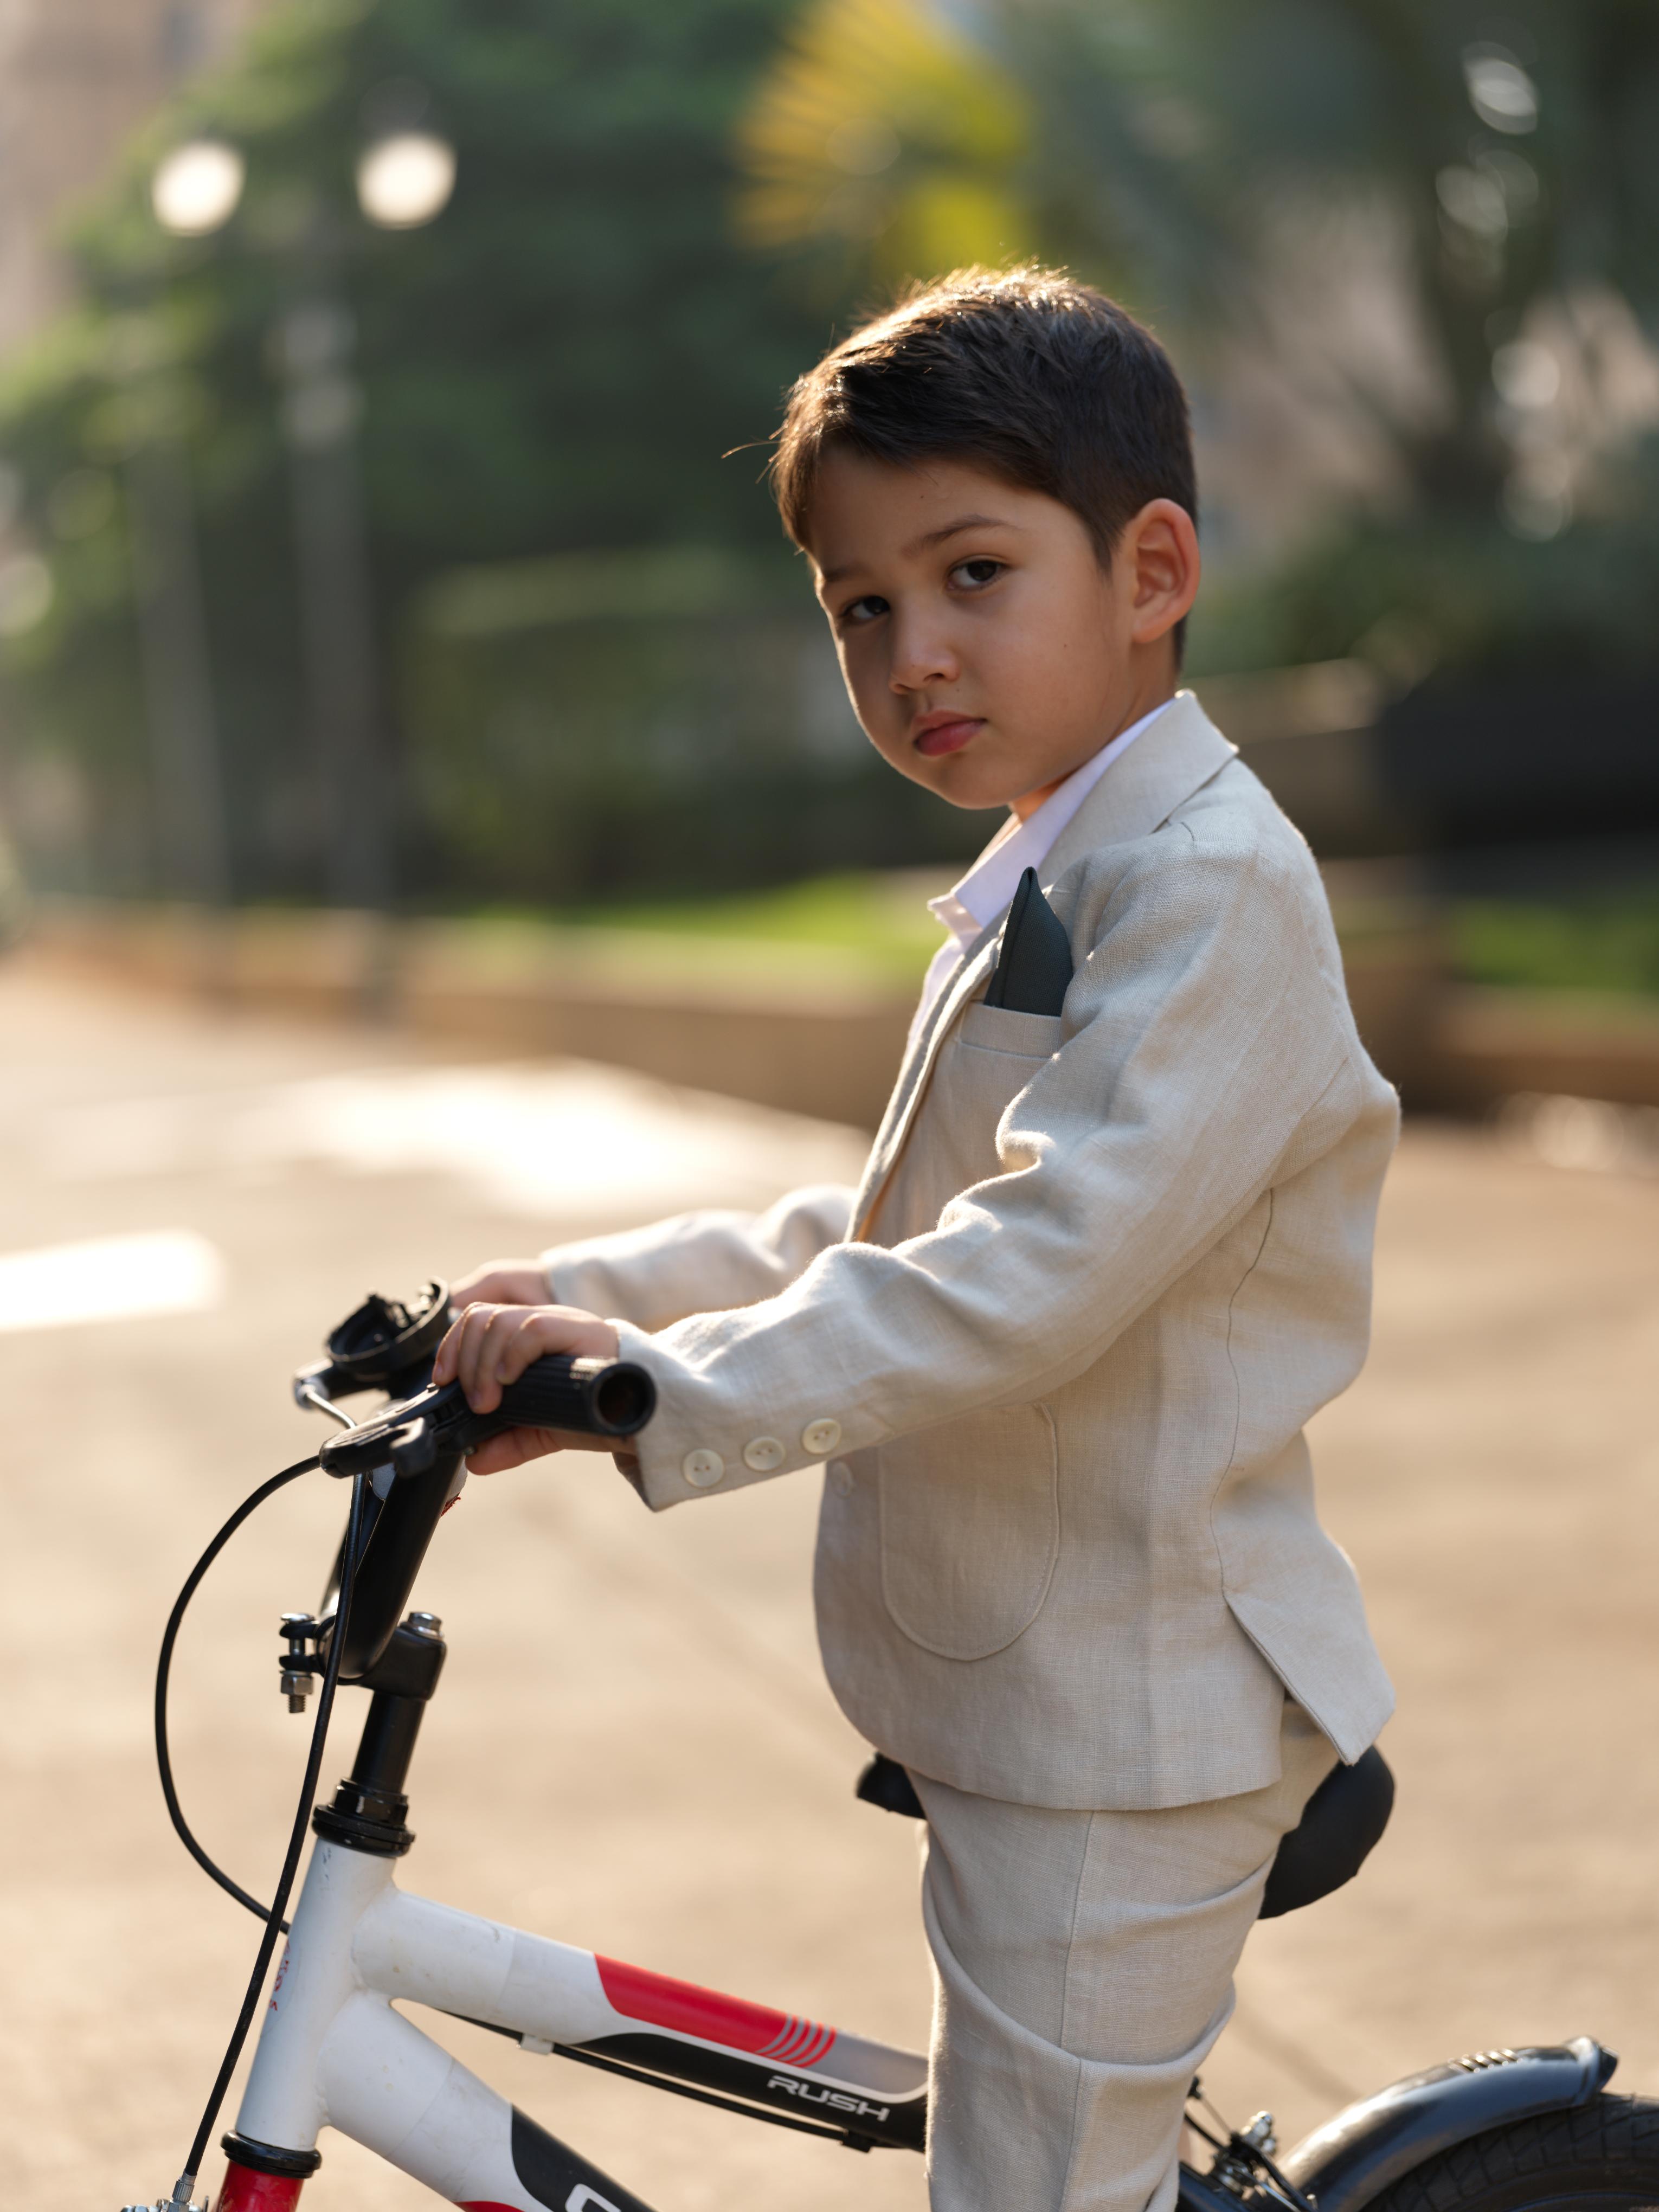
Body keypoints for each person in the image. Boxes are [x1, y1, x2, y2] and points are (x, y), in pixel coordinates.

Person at [432, 265, 1398, 2212]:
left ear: (1149, 572)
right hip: (1025, 1693)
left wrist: (659, 1392)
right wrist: (592, 1303)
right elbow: (881, 1220)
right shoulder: (1066, 850)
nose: (911, 654)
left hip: (1123, 1728)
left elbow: (1029, 1264)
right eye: (862, 607)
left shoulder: (1206, 889)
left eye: (970, 575)